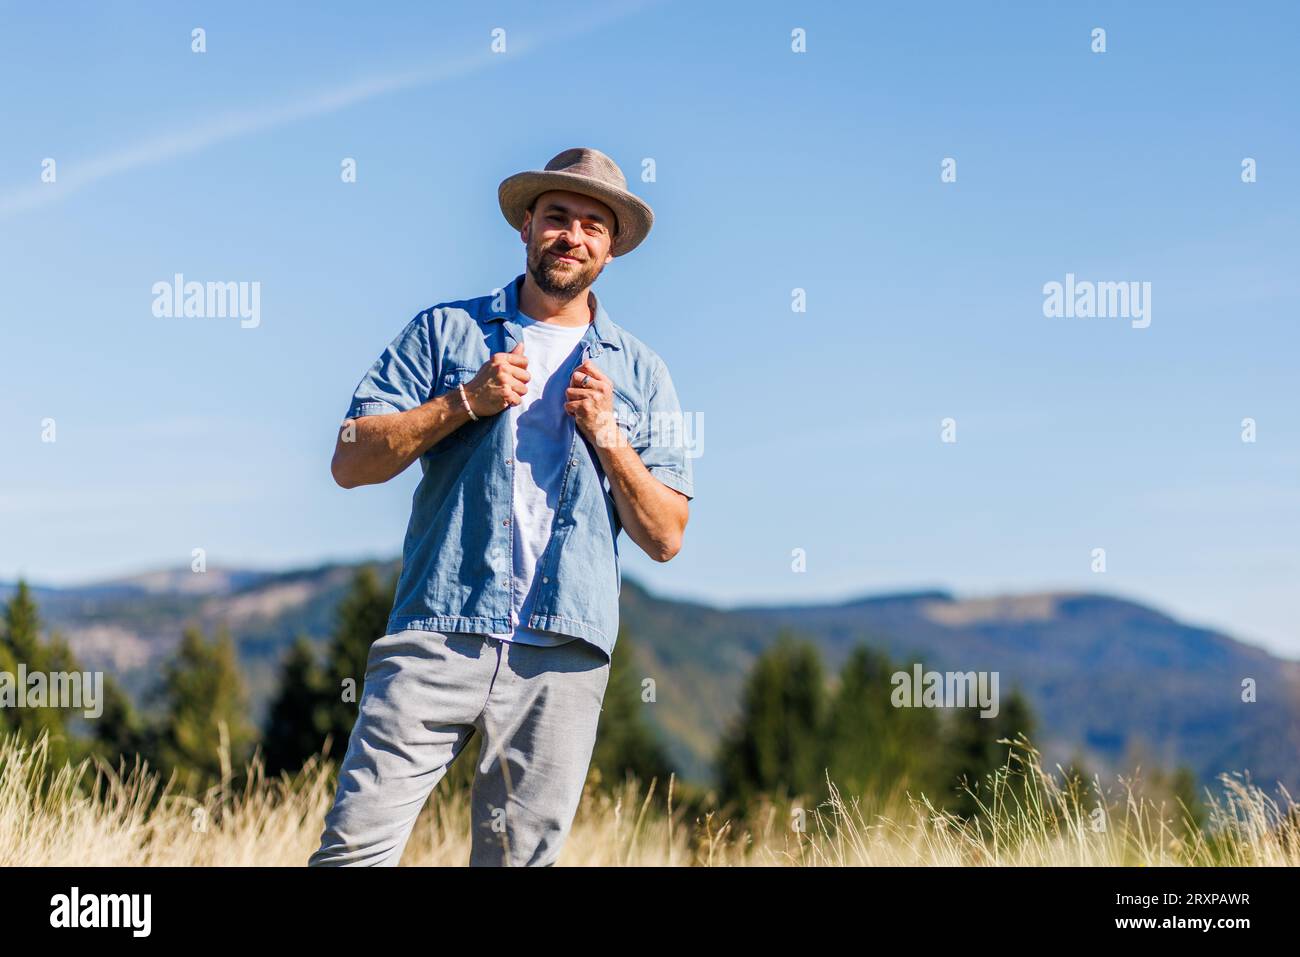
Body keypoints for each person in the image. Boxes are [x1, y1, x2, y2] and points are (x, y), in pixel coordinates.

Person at [308, 147, 695, 866]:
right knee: (351, 853)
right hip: (438, 627)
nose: (572, 235)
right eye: (557, 216)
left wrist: (610, 437)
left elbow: (666, 534)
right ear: (525, 225)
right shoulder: (443, 332)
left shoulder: (642, 372)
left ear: (610, 250)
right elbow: (350, 458)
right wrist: (464, 400)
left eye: (592, 224)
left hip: (562, 654)